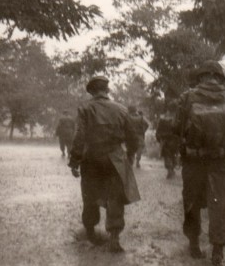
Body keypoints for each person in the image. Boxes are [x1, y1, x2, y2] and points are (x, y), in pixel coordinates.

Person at [174, 60, 225, 266]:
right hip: (222, 161)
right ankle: (217, 250)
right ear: (220, 77)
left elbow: (176, 126)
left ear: (200, 77)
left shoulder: (187, 98)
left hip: (194, 160)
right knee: (220, 203)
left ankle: (194, 243)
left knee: (192, 201)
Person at [68, 76, 140, 253]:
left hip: (92, 158)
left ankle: (91, 233)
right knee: (115, 197)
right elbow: (133, 136)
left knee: (90, 195)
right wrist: (130, 156)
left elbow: (80, 136)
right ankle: (114, 237)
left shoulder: (85, 108)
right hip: (115, 158)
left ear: (92, 91)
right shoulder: (122, 109)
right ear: (107, 90)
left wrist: (75, 161)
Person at [156, 101, 180, 179]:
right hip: (175, 140)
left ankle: (170, 169)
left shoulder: (163, 118)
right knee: (174, 154)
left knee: (167, 155)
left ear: (168, 109)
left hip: (165, 140)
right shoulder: (178, 119)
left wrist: (159, 138)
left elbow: (158, 130)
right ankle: (172, 168)